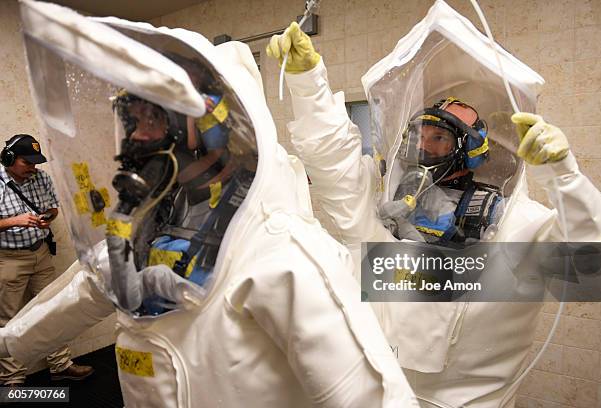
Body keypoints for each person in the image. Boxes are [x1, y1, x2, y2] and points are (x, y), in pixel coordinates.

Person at [0, 2, 417, 406]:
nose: (137, 140)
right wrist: (9, 343)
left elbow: (369, 395)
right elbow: (89, 288)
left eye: (154, 120)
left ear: (213, 126)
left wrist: (309, 87)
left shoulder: (277, 255)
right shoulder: (145, 232)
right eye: (131, 121)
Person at [267, 21, 601, 407]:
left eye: (440, 137)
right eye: (418, 136)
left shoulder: (516, 227)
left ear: (469, 150)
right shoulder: (386, 217)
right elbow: (335, 168)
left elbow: (596, 256)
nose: (424, 148)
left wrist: (564, 176)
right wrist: (308, 84)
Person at [0, 134, 94, 386]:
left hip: (40, 253)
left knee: (52, 309)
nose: (33, 167)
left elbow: (53, 207)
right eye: (27, 162)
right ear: (9, 158)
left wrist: (47, 217)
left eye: (35, 162)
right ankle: (12, 379)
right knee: (9, 318)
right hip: (9, 259)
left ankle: (61, 365)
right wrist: (14, 221)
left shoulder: (41, 178)